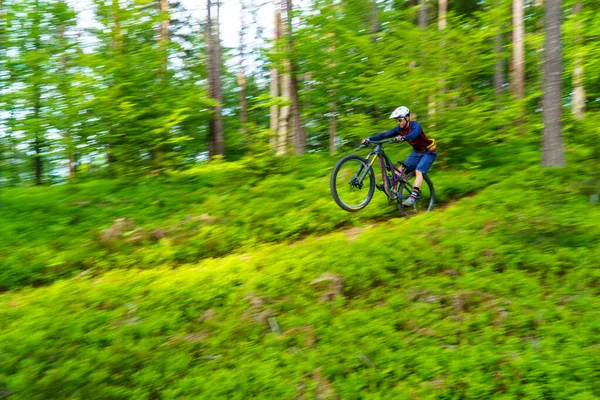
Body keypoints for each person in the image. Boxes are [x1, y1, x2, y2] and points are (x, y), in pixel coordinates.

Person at [361, 106, 437, 207]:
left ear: (407, 118)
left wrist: (403, 138)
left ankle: (413, 198)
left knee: (419, 171)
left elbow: (414, 134)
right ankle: (388, 186)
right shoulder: (399, 129)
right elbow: (385, 135)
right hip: (416, 153)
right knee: (401, 169)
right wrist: (369, 139)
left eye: (400, 120)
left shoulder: (415, 126)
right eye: (397, 121)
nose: (398, 122)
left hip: (428, 152)